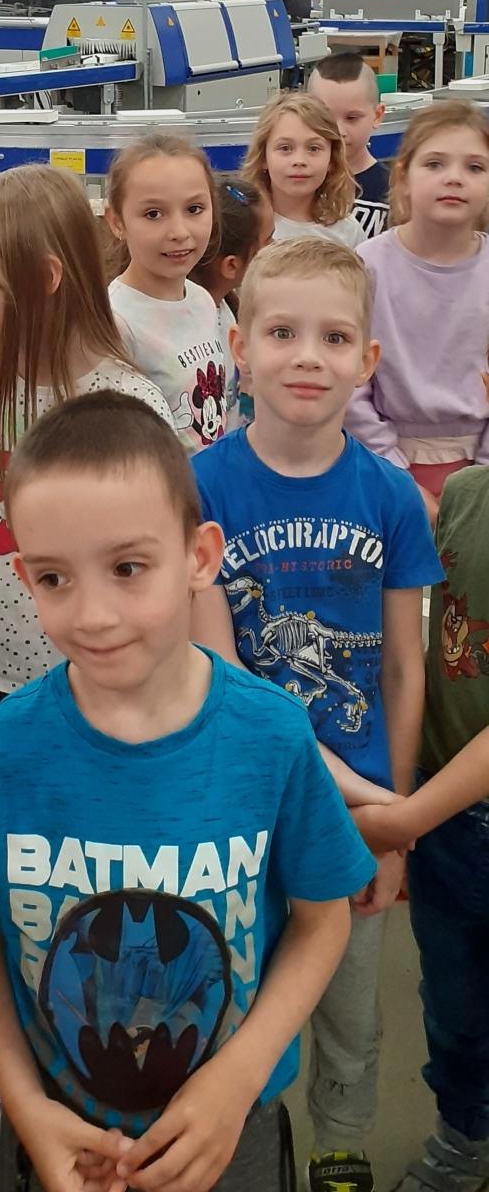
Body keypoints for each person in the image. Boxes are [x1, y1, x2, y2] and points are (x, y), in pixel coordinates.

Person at [0, 390, 376, 1192]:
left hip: (227, 1131)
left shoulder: (271, 737)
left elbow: (321, 920)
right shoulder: (7, 745)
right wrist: (21, 1102)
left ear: (200, 557)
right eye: (54, 578)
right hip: (53, 1132)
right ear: (23, 575)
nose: (93, 615)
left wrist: (238, 1076)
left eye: (127, 568)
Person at [0, 166, 173, 1192]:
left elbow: (156, 574)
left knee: (82, 894)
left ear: (44, 277)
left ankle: (81, 1074)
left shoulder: (126, 404)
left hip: (89, 693)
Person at [190, 237, 443, 1192]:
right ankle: (237, 1133)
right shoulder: (199, 485)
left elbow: (405, 667)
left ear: (366, 360)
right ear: (239, 346)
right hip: (241, 797)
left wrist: (394, 819)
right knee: (235, 982)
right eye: (281, 333)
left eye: (334, 338)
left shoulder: (389, 496)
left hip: (358, 809)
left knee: (350, 1003)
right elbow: (221, 672)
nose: (307, 357)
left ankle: (340, 1137)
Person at [355, 449, 489, 1192]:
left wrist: (401, 818)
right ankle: (462, 1134)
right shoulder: (464, 496)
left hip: (432, 810)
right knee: (453, 1004)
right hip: (447, 825)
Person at [346, 100, 489, 522]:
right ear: (403, 178)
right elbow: (349, 382)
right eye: (435, 164)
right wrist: (397, 476)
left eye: (474, 167)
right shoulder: (368, 266)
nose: (454, 178)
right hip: (382, 464)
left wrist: (479, 482)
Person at [105, 133, 227, 452]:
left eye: (194, 209)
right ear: (116, 222)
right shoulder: (114, 322)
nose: (179, 232)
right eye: (153, 214)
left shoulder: (202, 299)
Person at [190, 176, 273, 430]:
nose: (276, 247)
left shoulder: (227, 309)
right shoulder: (196, 327)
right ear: (231, 266)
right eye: (268, 241)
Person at [240, 91, 365, 249]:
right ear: (263, 156)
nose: (299, 161)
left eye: (313, 148)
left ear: (332, 159)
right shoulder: (243, 225)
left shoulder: (347, 232)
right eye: (285, 148)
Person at [308, 55, 389, 241]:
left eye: (352, 118)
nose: (339, 131)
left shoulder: (395, 190)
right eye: (326, 117)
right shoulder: (295, 182)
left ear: (377, 116)